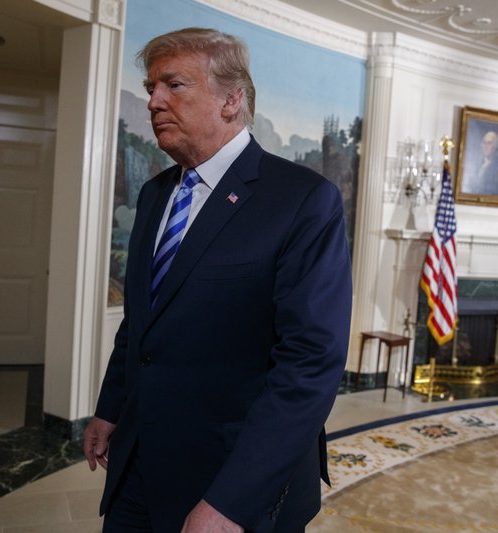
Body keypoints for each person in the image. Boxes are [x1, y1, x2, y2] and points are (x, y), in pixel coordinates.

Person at [83, 27, 352, 532]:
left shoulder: (302, 200)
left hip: (230, 479)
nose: (154, 101)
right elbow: (141, 323)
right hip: (137, 463)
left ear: (232, 100)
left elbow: (309, 365)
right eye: (150, 89)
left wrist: (232, 500)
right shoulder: (155, 194)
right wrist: (110, 408)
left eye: (174, 85)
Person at [461, 130, 498, 196]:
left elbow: (495, 193)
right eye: (484, 143)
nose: (486, 146)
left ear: (495, 146)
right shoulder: (478, 165)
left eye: (489, 143)